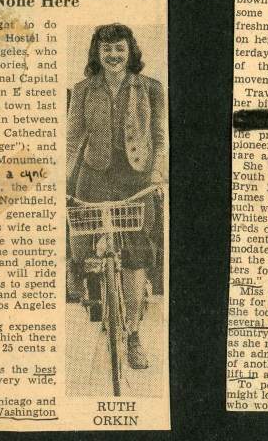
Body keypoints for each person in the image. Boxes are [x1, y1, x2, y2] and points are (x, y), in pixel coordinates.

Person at [67, 23, 168, 369]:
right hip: (94, 175)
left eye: (120, 49)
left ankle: (134, 334)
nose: (113, 55)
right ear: (97, 53)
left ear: (130, 52)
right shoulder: (82, 90)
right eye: (106, 49)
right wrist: (60, 180)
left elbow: (160, 136)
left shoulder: (151, 88)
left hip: (135, 177)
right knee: (81, 238)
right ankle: (90, 285)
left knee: (137, 255)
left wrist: (157, 174)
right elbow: (71, 140)